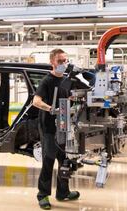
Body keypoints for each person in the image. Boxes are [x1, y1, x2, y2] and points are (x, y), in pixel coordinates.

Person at [33, 49, 80, 210]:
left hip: (63, 125)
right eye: (60, 61)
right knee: (49, 160)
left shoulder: (67, 81)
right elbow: (36, 101)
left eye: (65, 61)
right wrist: (50, 108)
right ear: (52, 62)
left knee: (64, 159)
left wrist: (72, 102)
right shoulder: (47, 81)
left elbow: (68, 100)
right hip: (48, 126)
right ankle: (43, 195)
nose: (63, 64)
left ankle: (63, 192)